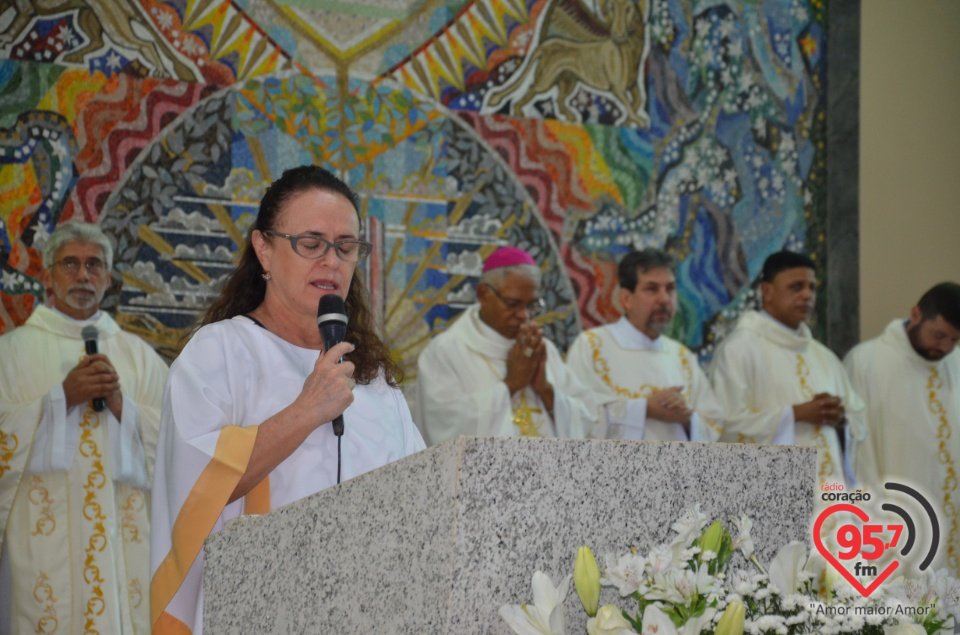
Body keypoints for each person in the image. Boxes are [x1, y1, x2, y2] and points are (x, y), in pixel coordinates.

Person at [149, 166, 425, 634]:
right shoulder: (220, 351)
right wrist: (305, 411)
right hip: (254, 612)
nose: (332, 262)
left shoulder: (375, 380)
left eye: (346, 247)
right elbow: (192, 484)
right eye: (311, 244)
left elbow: (420, 495)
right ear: (265, 249)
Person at [0, 221, 168, 635]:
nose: (83, 275)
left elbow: (178, 444)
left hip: (125, 547)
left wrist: (121, 407)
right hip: (40, 549)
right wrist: (60, 400)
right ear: (48, 274)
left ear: (108, 279)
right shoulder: (11, 353)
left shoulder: (140, 358)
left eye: (94, 265)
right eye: (70, 263)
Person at [710, 250, 866, 486]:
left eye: (812, 287)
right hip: (774, 495)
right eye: (796, 287)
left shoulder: (824, 357)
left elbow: (858, 418)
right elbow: (723, 426)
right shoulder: (739, 350)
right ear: (767, 292)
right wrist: (794, 415)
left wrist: (840, 418)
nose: (807, 295)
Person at [415, 246, 600, 445]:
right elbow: (441, 428)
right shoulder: (445, 352)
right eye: (513, 304)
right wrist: (511, 385)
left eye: (532, 305)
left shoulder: (542, 349)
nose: (524, 315)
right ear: (483, 294)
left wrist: (545, 389)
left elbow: (589, 417)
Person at [844, 282, 960, 574]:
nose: (945, 347)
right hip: (900, 522)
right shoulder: (867, 362)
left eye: (955, 340)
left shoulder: (955, 362)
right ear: (916, 314)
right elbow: (859, 454)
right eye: (939, 335)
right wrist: (872, 521)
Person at [566, 249, 722, 442]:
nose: (664, 299)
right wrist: (645, 409)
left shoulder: (682, 357)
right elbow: (575, 414)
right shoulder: (591, 346)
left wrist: (688, 420)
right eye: (651, 289)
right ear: (626, 299)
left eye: (670, 289)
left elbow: (713, 423)